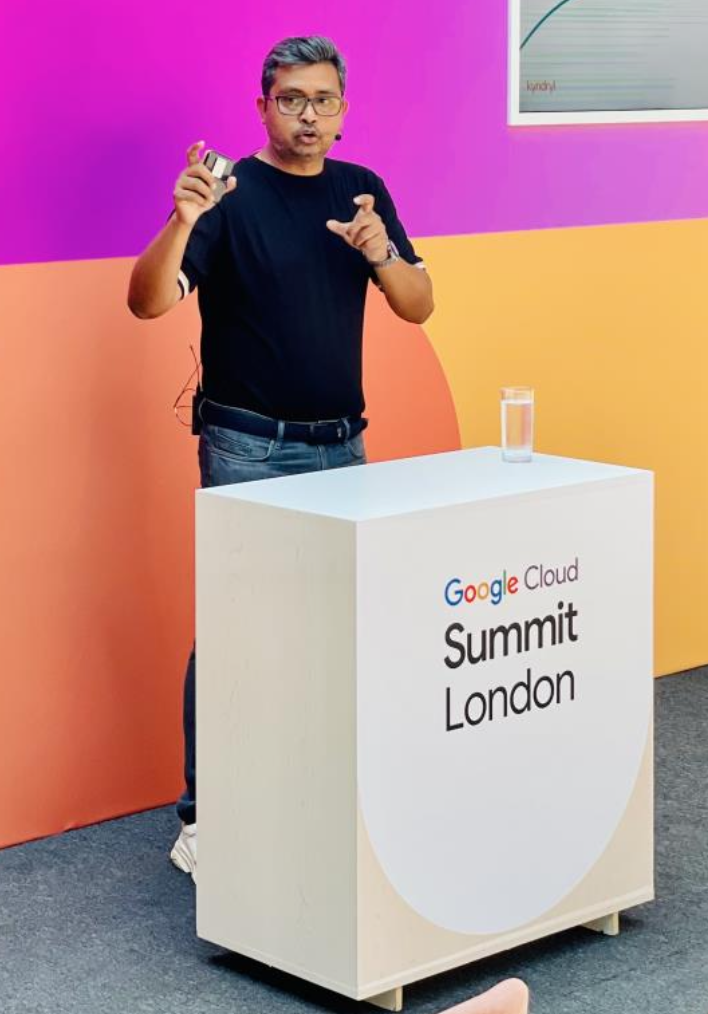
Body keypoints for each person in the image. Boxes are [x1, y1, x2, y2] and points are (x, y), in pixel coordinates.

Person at [127, 35, 433, 879]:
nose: (308, 115)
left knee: (337, 631)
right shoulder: (228, 194)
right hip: (247, 449)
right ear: (262, 106)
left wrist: (380, 252)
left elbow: (419, 305)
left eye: (323, 100)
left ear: (343, 109)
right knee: (238, 634)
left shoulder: (360, 190)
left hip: (344, 448)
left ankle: (309, 796)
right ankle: (204, 817)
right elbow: (146, 302)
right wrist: (182, 220)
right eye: (291, 99)